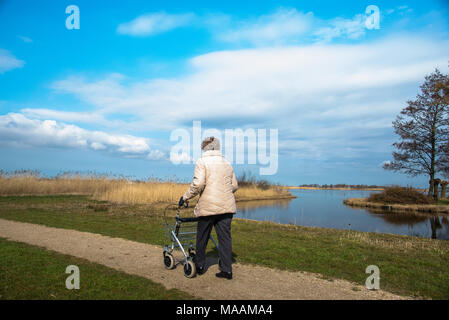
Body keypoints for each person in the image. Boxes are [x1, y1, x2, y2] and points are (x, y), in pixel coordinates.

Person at [179, 136, 238, 279]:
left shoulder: (202, 162)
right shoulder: (227, 163)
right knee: (225, 239)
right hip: (226, 207)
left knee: (202, 237)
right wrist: (223, 193)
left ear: (206, 148)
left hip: (208, 206)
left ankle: (199, 266)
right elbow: (235, 186)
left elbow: (198, 185)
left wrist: (185, 197)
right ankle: (227, 270)